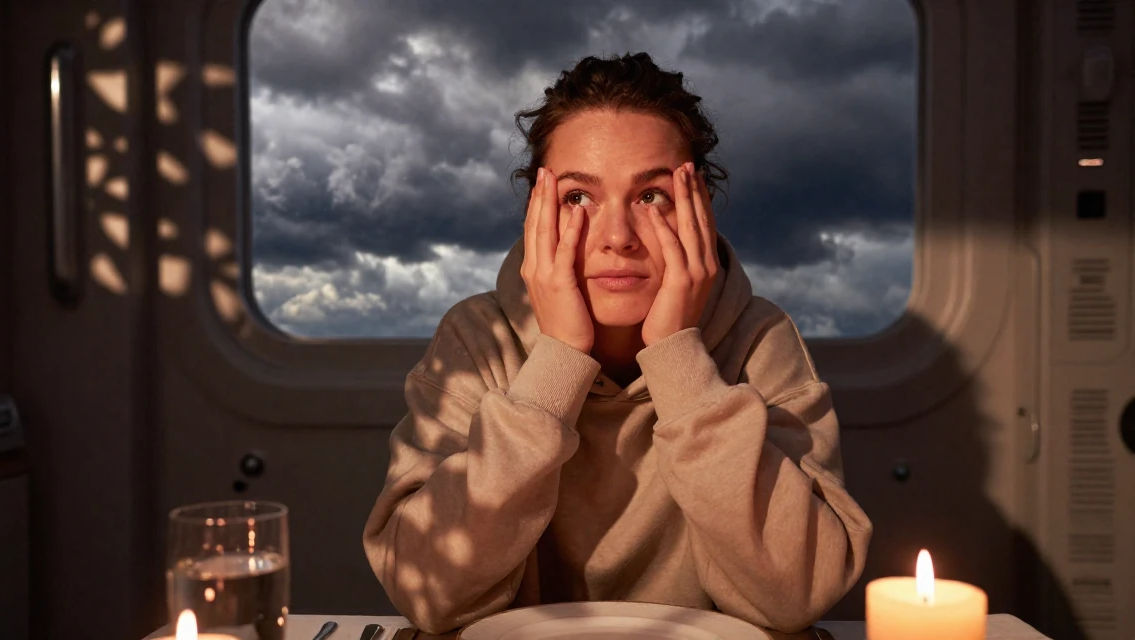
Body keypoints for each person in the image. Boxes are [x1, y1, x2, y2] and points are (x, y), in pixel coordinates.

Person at [362, 51, 872, 635]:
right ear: (538, 214)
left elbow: (796, 594)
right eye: (578, 197)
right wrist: (557, 363)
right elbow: (429, 590)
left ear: (697, 208)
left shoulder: (760, 340)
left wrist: (679, 356)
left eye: (651, 195)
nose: (617, 238)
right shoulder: (476, 339)